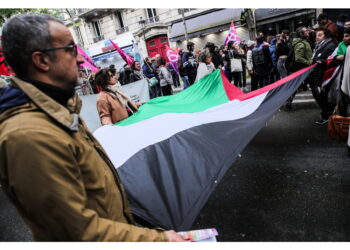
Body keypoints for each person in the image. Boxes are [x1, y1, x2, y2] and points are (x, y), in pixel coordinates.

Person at [0, 14, 187, 242]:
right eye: (70, 48)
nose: (81, 58)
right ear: (41, 61)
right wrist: (160, 240)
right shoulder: (29, 136)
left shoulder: (60, 111)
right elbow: (77, 233)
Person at [307, 28, 337, 125]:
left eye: (319, 35)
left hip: (324, 76)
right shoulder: (318, 45)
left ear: (325, 36)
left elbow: (332, 60)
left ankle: (327, 115)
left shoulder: (330, 46)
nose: (317, 37)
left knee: (322, 96)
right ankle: (326, 113)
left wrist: (321, 61)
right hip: (316, 75)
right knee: (319, 96)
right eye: (316, 35)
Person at [285, 26, 313, 110]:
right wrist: (308, 62)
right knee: (295, 86)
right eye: (306, 31)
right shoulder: (300, 43)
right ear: (301, 34)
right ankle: (288, 101)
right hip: (300, 69)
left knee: (296, 86)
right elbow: (298, 58)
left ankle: (289, 101)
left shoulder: (303, 41)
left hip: (301, 68)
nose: (308, 31)